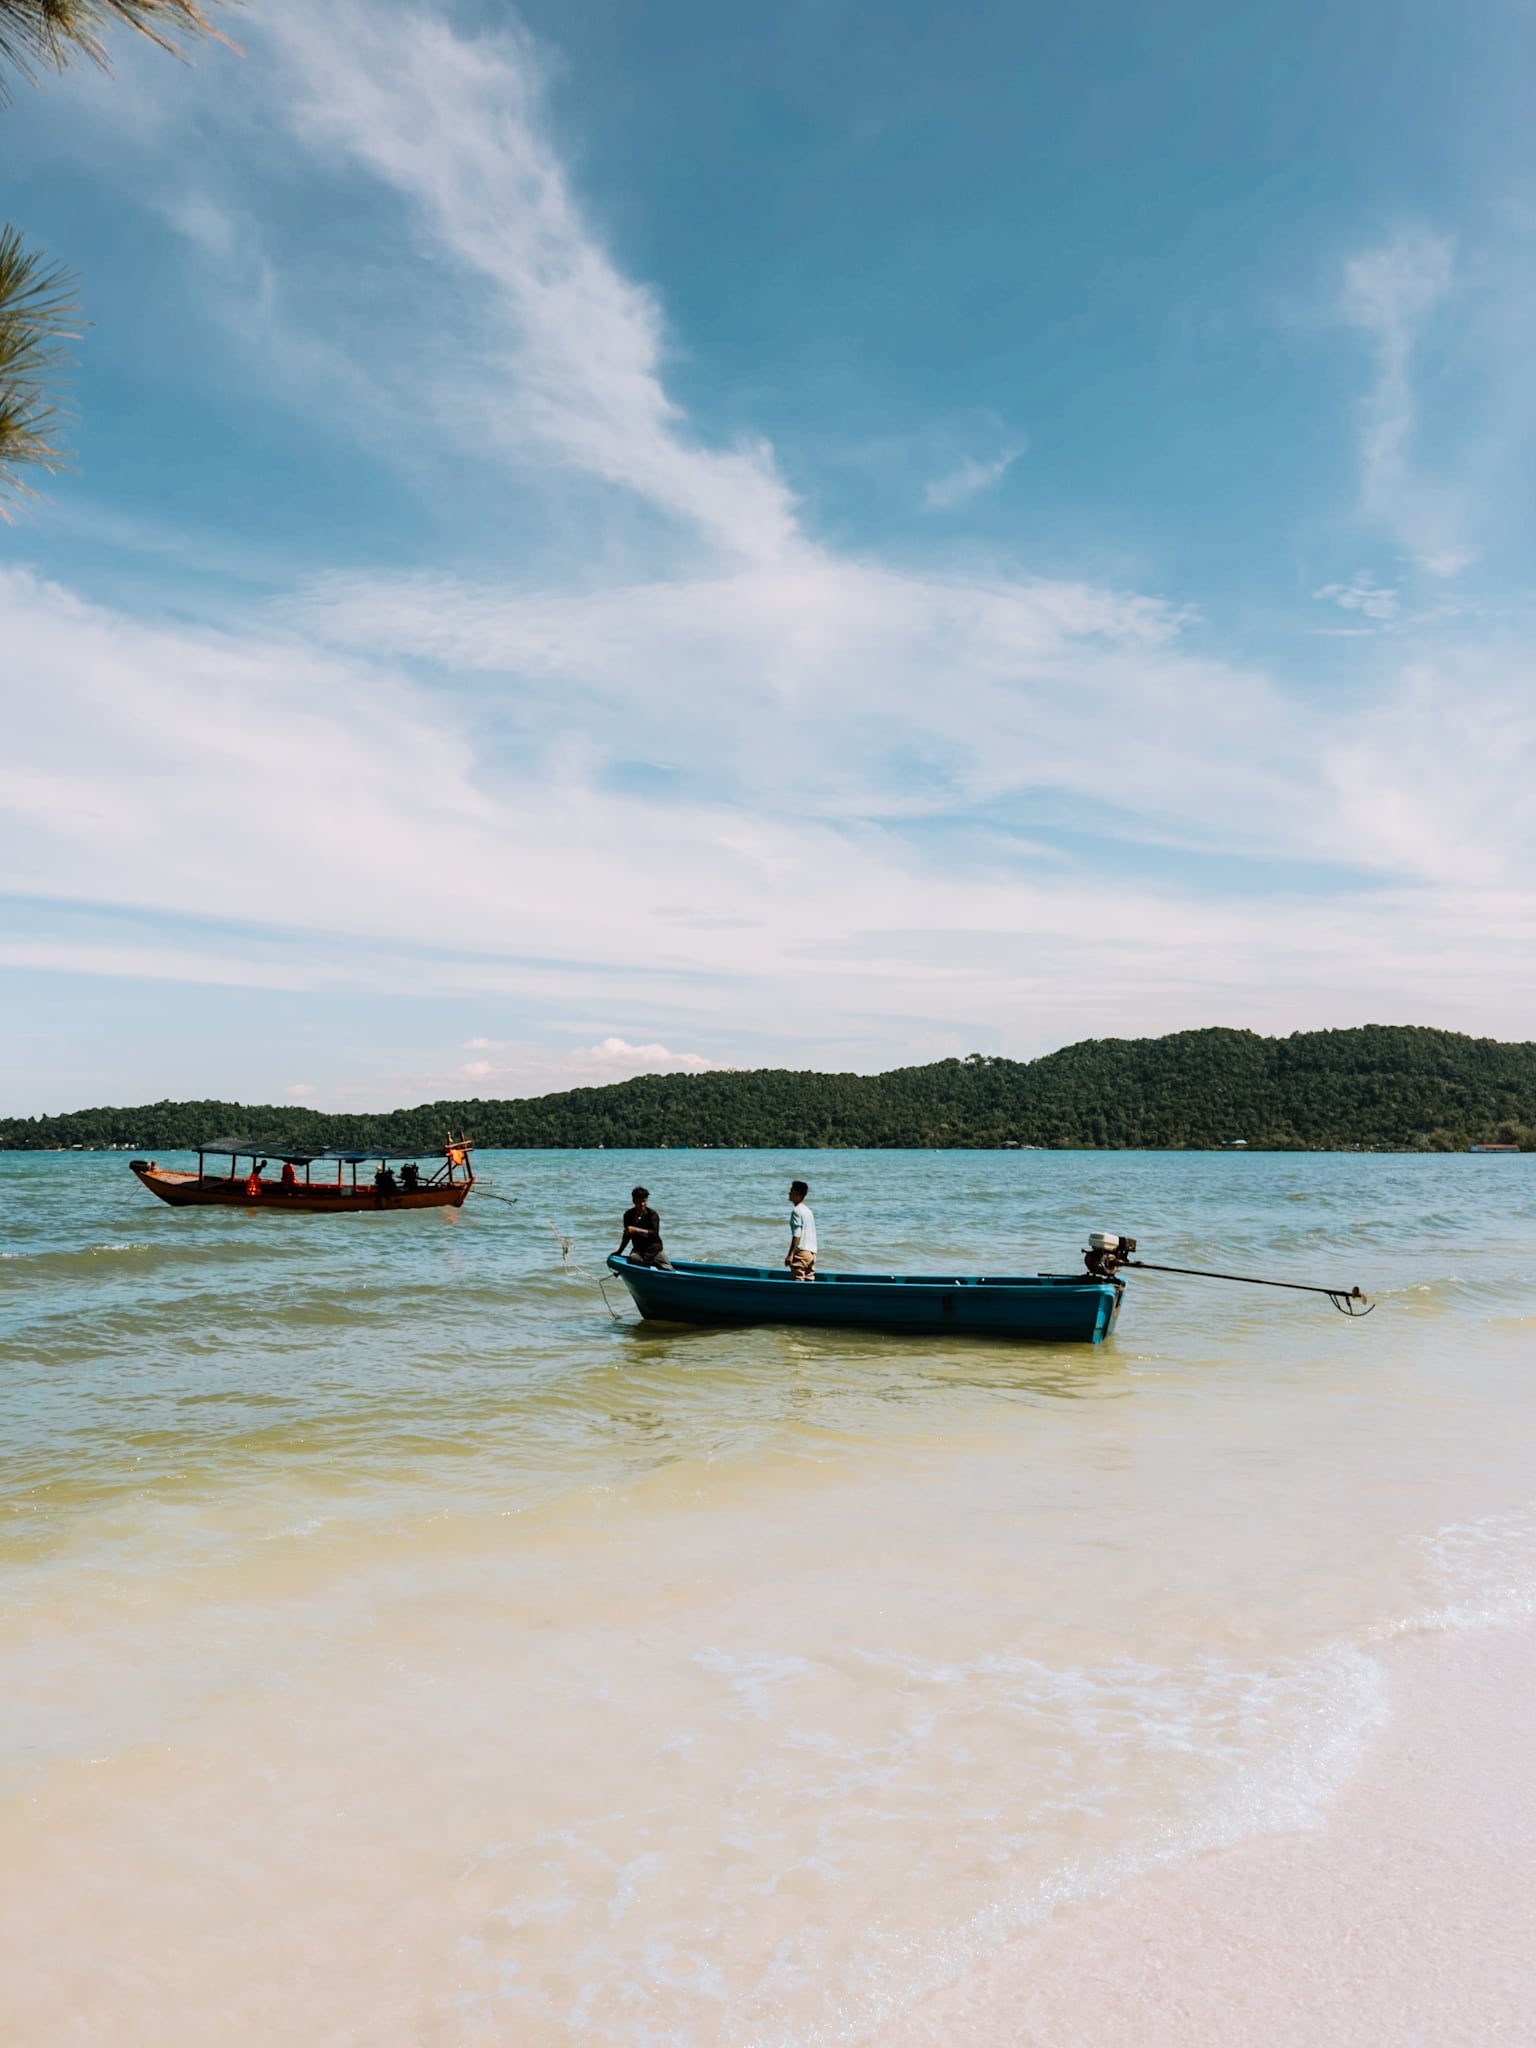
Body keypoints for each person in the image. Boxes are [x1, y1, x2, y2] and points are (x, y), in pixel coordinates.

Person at [618, 1187, 671, 1267]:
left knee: (668, 1269)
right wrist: (619, 1251)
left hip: (654, 1250)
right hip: (638, 1249)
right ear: (634, 1201)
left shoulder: (652, 1214)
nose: (642, 1204)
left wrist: (636, 1230)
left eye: (644, 1201)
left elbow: (654, 1233)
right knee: (633, 1259)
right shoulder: (628, 1215)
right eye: (639, 1201)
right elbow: (627, 1236)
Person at [785, 1179, 817, 1280]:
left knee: (797, 1281)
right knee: (809, 1281)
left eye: (791, 1191)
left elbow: (797, 1234)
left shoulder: (796, 1211)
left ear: (797, 1194)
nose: (789, 1193)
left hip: (802, 1253)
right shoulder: (808, 1211)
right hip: (812, 1253)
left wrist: (790, 1254)